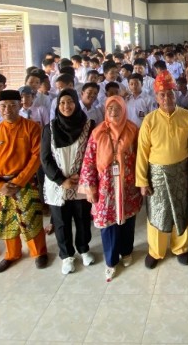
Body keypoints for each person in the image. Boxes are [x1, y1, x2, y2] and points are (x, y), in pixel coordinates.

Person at [0, 90, 48, 273]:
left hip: (25, 182)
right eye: (3, 106)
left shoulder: (32, 128)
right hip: (0, 185)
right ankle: (12, 254)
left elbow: (36, 157)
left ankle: (39, 252)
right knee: (6, 221)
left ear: (20, 105)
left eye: (12, 105)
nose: (8, 109)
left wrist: (18, 181)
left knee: (31, 219)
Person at [79, 96, 142, 282]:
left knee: (128, 220)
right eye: (110, 109)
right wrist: (90, 186)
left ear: (124, 109)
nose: (113, 112)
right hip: (105, 187)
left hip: (128, 185)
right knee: (108, 224)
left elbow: (141, 156)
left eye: (117, 108)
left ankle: (127, 251)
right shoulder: (98, 133)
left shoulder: (132, 129)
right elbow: (89, 161)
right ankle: (111, 260)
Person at [136, 71, 188, 269]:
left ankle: (181, 248)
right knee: (158, 212)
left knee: (182, 209)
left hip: (181, 172)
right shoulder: (149, 120)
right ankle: (156, 251)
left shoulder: (187, 116)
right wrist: (142, 181)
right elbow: (142, 153)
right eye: (162, 95)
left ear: (175, 94)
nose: (167, 98)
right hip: (156, 173)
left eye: (170, 94)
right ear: (156, 98)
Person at [41, 89, 95, 275]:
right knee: (61, 221)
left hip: (81, 181)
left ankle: (83, 249)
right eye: (62, 103)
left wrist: (84, 175)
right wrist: (61, 179)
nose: (66, 106)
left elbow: (92, 153)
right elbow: (45, 159)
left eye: (70, 102)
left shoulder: (89, 125)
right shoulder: (49, 128)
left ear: (76, 103)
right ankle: (66, 256)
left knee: (82, 218)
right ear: (57, 106)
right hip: (58, 184)